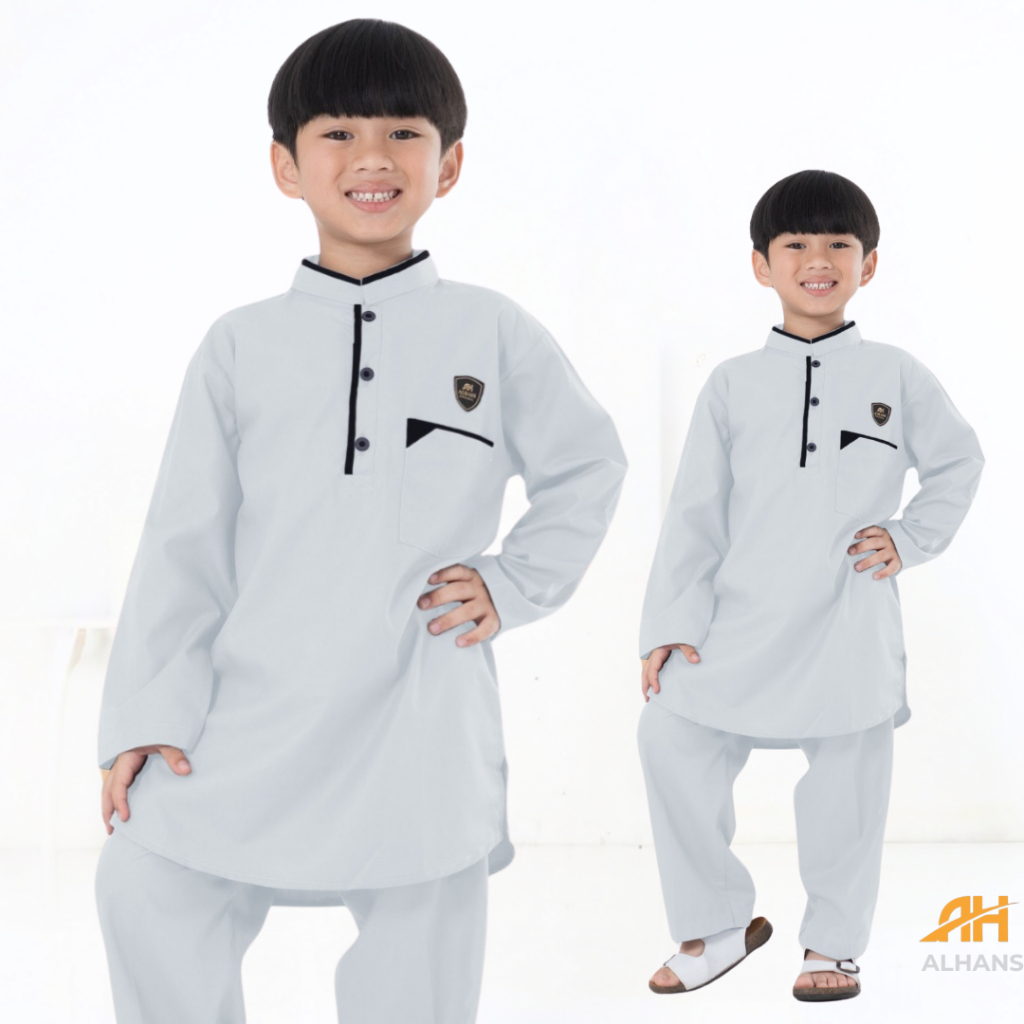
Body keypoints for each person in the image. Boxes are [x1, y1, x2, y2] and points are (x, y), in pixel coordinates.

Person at [93, 18, 627, 1024]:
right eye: (338, 133)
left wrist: (510, 583)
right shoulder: (241, 346)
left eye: (402, 133)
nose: (372, 157)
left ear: (448, 164)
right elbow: (182, 545)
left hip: (417, 710)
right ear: (285, 166)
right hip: (250, 709)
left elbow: (589, 462)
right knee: (147, 883)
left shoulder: (492, 330)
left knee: (420, 935)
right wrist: (144, 717)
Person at [636, 169, 984, 1002]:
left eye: (839, 244)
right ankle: (718, 924)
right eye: (795, 244)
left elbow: (959, 461)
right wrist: (669, 626)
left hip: (847, 621)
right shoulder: (732, 383)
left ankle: (833, 943)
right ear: (762, 265)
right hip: (738, 621)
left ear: (870, 263)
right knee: (669, 738)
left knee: (847, 784)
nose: (818, 260)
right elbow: (695, 514)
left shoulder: (896, 374)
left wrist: (908, 539)